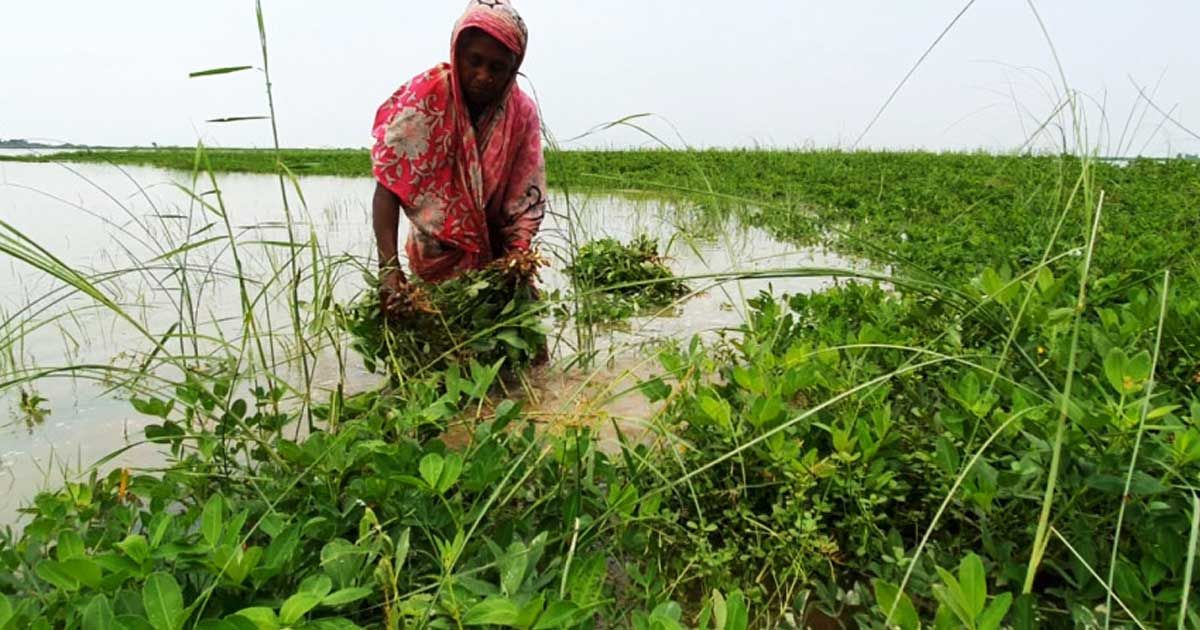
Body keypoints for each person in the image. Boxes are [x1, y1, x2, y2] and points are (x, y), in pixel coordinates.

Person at [371, 0, 546, 313]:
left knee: (521, 349)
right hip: (433, 260)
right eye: (474, 61)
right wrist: (389, 270)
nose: (483, 75)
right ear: (457, 54)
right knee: (432, 347)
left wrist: (519, 256)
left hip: (497, 263)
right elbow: (388, 186)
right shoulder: (427, 97)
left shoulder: (521, 114)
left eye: (497, 67)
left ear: (513, 68)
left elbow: (526, 197)